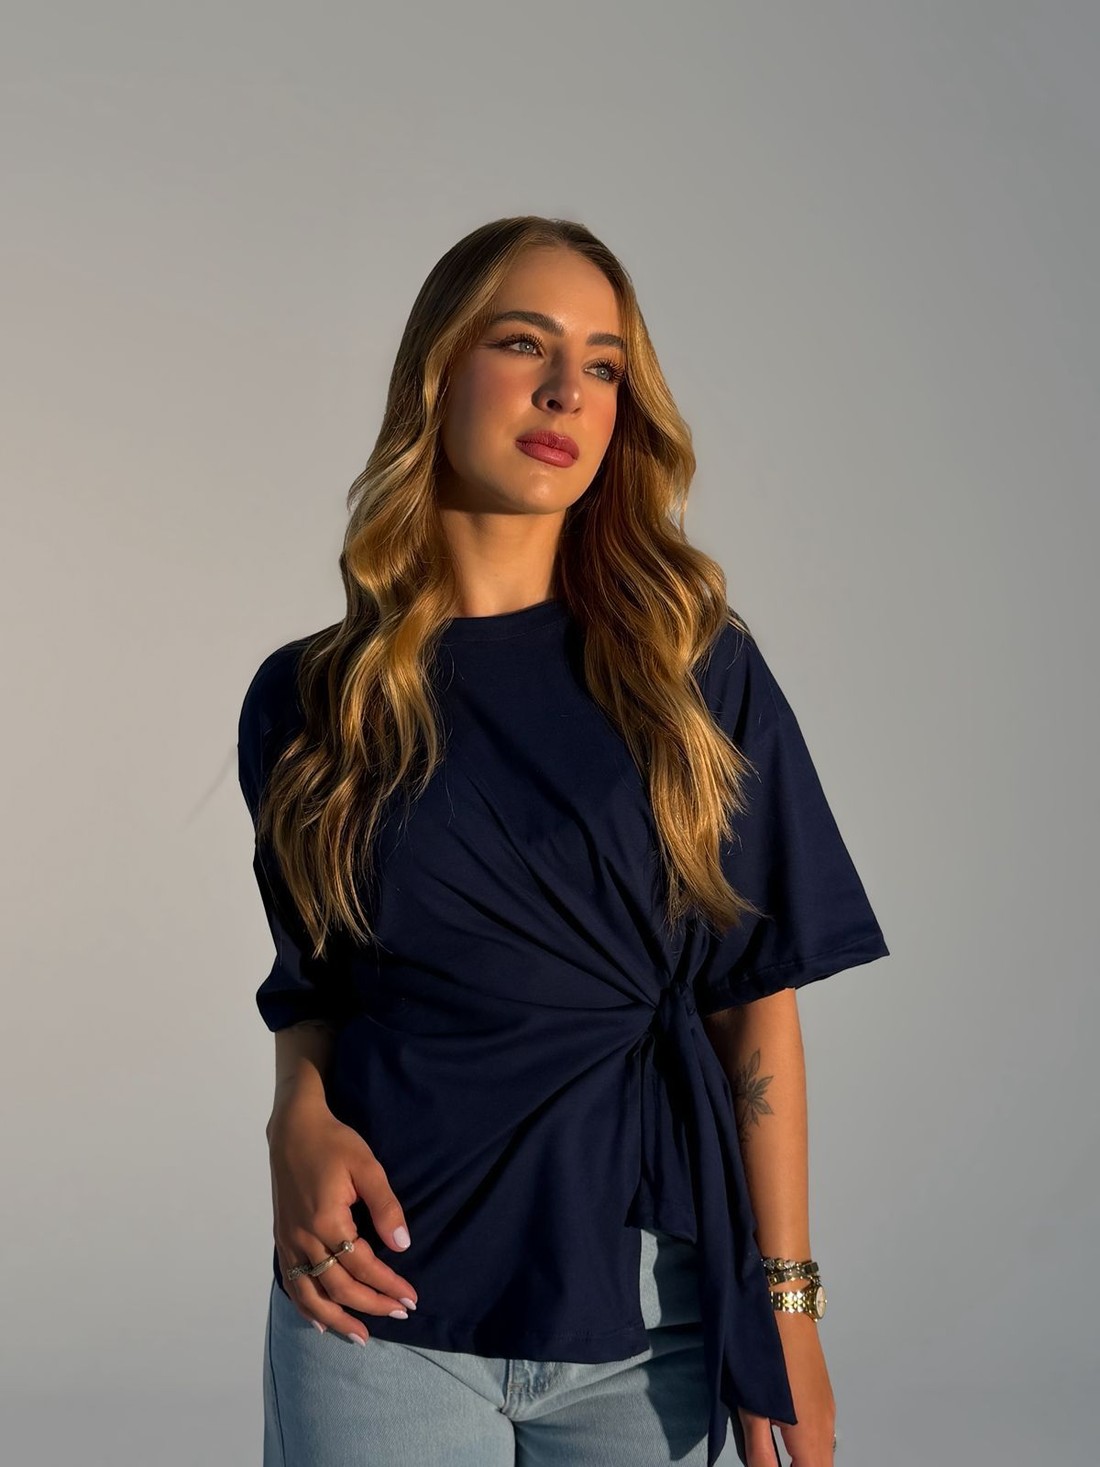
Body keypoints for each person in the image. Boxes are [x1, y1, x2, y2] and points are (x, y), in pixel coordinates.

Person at [236, 216, 889, 1467]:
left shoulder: (693, 672)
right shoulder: (313, 700)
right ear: (437, 371)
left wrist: (789, 1304)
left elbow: (753, 1006)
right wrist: (291, 1124)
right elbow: (316, 990)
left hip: (648, 1316)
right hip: (376, 1301)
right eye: (522, 344)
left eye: (601, 364)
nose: (564, 392)